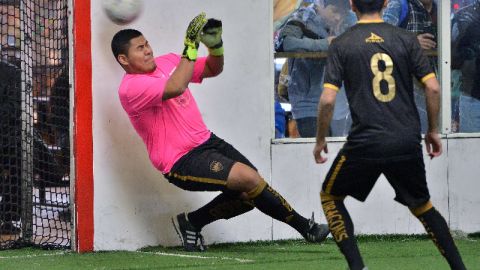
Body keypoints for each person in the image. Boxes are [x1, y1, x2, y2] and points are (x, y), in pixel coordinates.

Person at [111, 13, 329, 252]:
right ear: (123, 58)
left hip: (207, 142)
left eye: (147, 44)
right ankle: (307, 228)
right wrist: (190, 46)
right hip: (180, 160)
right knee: (249, 180)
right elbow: (176, 86)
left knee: (250, 194)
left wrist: (215, 47)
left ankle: (192, 222)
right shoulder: (130, 88)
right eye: (140, 48)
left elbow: (213, 69)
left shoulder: (169, 61)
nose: (148, 50)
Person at [313, 1, 466, 269]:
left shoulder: (343, 43)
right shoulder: (406, 39)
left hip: (366, 142)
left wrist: (320, 140)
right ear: (385, 3)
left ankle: (358, 267)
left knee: (330, 197)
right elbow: (433, 88)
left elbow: (327, 100)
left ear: (351, 4)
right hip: (406, 139)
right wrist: (431, 130)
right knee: (422, 206)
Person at [276, 0, 355, 137]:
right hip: (307, 105)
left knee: (338, 154)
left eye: (342, 13)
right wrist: (324, 44)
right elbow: (287, 43)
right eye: (335, 11)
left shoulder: (350, 19)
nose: (338, 17)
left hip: (339, 104)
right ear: (321, 6)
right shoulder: (302, 16)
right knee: (316, 153)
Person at [383, 0, 438, 133]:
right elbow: (380, 36)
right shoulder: (400, 5)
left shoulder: (439, 9)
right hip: (402, 89)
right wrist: (412, 41)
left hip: (430, 86)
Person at [451, 0, 480, 132]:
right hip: (472, 96)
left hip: (471, 95)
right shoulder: (464, 17)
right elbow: (452, 58)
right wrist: (471, 51)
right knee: (470, 149)